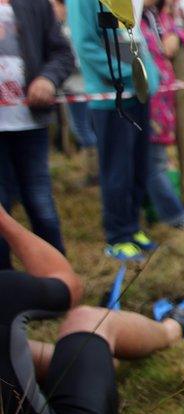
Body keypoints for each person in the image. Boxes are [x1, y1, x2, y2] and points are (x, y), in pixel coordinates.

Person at [0, 204, 184, 414]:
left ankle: (101, 361)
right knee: (89, 318)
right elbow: (68, 285)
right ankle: (173, 328)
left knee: (15, 346)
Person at [67, 0, 162, 261]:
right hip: (112, 98)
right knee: (117, 169)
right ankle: (118, 236)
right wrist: (127, 74)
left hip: (139, 94)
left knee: (138, 166)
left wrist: (148, 77)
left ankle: (132, 226)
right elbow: (86, 45)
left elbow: (136, 38)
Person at [0, 0, 74, 270]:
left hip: (29, 125)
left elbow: (63, 54)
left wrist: (48, 79)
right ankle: (7, 290)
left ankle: (58, 279)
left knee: (40, 202)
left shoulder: (35, 4)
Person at [140, 0, 184, 231]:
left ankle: (153, 213)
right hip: (144, 101)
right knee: (154, 163)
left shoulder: (159, 17)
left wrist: (178, 36)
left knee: (156, 160)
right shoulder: (132, 18)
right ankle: (176, 218)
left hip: (164, 102)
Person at [51, 0, 98, 188]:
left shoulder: (71, 26)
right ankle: (94, 171)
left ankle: (95, 172)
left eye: (55, 4)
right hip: (74, 87)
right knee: (81, 129)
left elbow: (77, 57)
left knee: (82, 130)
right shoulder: (63, 25)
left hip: (79, 87)